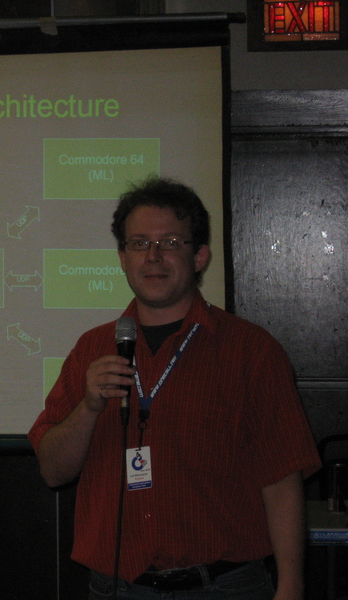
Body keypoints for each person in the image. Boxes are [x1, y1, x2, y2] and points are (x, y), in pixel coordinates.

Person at [28, 176, 321, 600]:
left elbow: (281, 480)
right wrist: (88, 408)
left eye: (170, 243)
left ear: (199, 256)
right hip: (117, 588)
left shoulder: (251, 350)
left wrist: (291, 585)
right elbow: (53, 471)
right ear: (122, 258)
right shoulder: (92, 348)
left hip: (225, 588)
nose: (153, 257)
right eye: (139, 244)